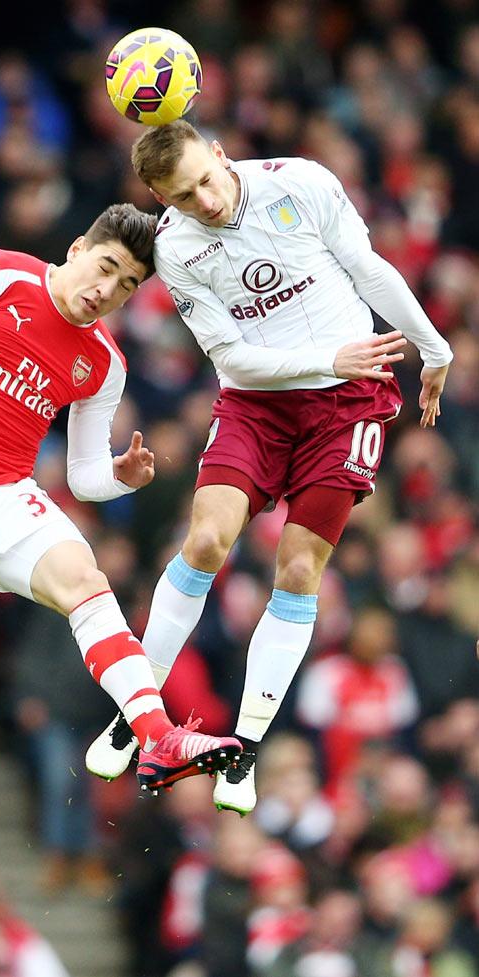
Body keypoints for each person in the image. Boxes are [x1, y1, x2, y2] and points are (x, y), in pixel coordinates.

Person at [0, 202, 241, 922]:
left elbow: (84, 470)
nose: (108, 289)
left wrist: (121, 477)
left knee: (86, 580)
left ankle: (159, 737)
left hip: (7, 492)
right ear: (77, 248)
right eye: (106, 267)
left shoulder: (103, 362)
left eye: (128, 284)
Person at [85, 121, 453, 817]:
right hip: (258, 403)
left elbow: (369, 267)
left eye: (208, 179)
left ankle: (245, 749)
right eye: (185, 197)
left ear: (221, 154)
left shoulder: (302, 183)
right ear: (163, 200)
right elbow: (232, 361)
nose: (207, 200)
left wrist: (433, 347)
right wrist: (326, 359)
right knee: (202, 541)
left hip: (349, 402)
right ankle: (135, 714)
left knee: (297, 569)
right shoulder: (176, 248)